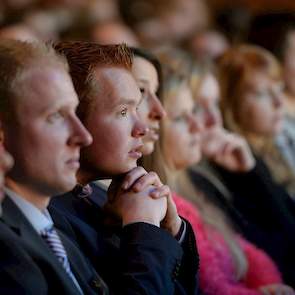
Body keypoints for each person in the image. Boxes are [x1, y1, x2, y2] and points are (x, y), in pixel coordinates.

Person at [50, 42, 199, 295]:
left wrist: (172, 232)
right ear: (73, 119)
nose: (141, 126)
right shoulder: (48, 218)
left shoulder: (106, 196)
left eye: (135, 107)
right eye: (122, 111)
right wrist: (145, 227)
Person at [144, 48, 295, 294]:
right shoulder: (173, 191)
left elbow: (280, 246)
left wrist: (252, 176)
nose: (212, 121)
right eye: (191, 112)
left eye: (214, 105)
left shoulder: (204, 178)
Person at [0, 39, 109, 294]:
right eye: (55, 117)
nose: (83, 136)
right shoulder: (6, 250)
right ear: (2, 135)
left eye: (74, 112)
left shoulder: (55, 226)